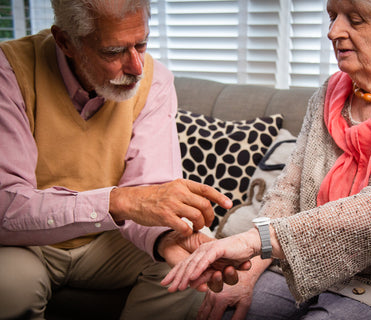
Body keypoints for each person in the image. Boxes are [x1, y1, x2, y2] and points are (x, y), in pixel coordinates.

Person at [161, 0, 371, 319]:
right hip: (323, 269)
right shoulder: (330, 93)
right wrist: (251, 267)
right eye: (332, 17)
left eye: (355, 20)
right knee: (223, 305)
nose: (333, 32)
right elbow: (289, 189)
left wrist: (258, 240)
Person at [0, 0, 240, 319]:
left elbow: (148, 194)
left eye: (141, 44)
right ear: (65, 42)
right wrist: (117, 202)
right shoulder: (10, 72)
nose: (136, 67)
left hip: (107, 242)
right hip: (27, 243)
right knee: (10, 287)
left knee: (191, 263)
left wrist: (164, 237)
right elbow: (6, 207)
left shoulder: (154, 81)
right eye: (113, 52)